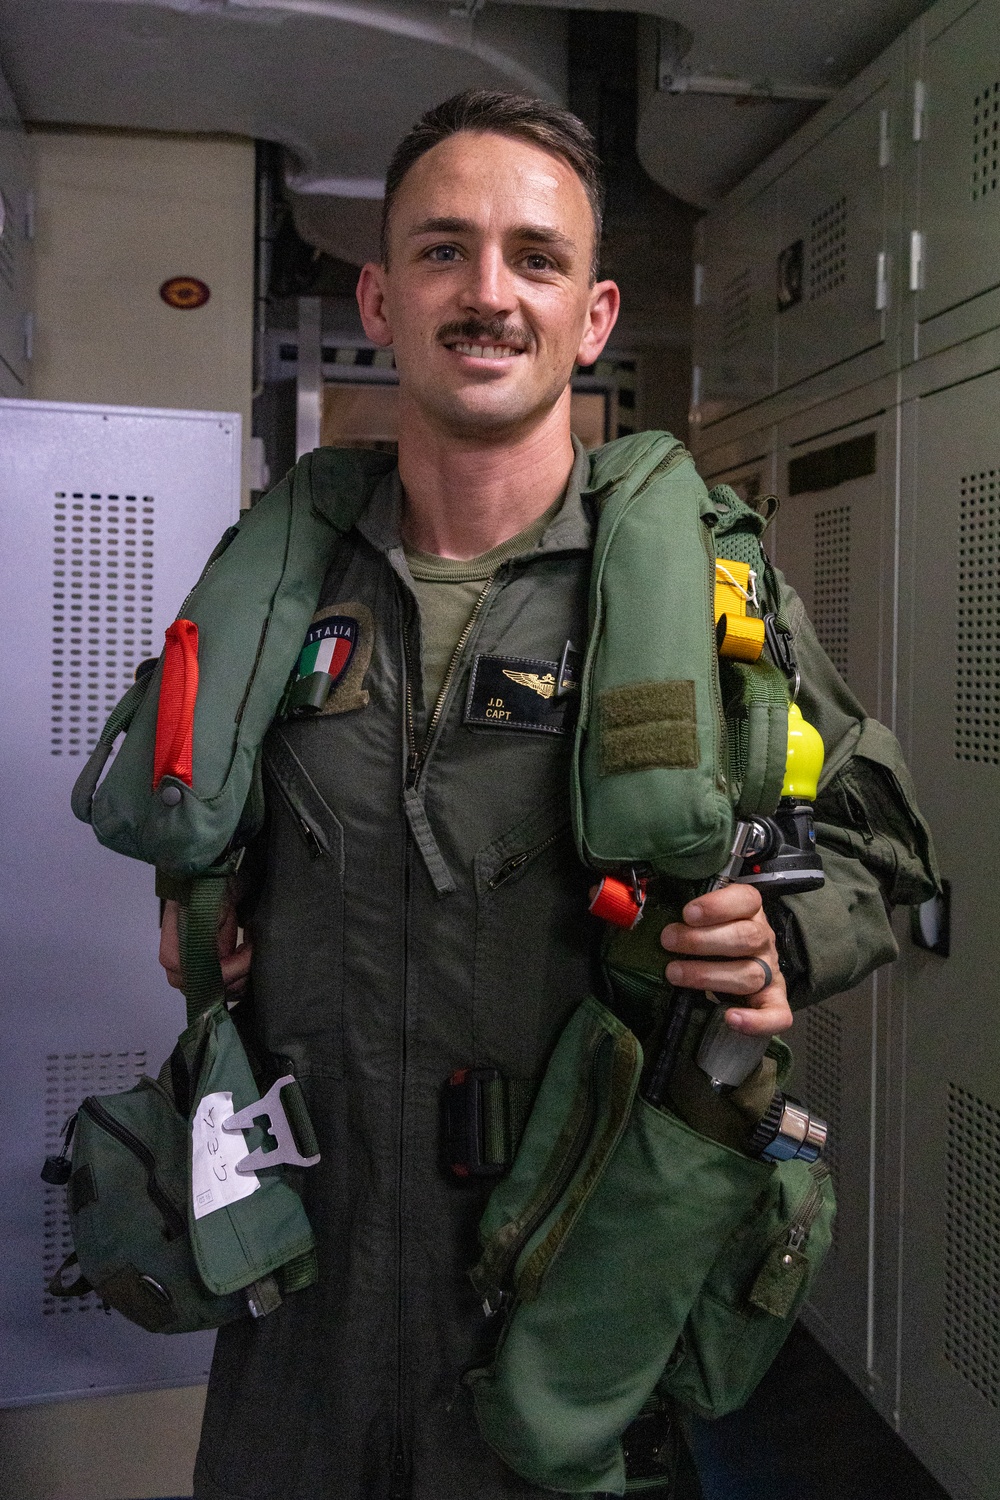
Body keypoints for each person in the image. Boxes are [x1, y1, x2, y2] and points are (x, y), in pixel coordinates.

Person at [158, 90, 929, 1500]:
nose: (489, 292)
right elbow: (201, 817)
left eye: (535, 256)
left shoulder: (701, 596)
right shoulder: (282, 586)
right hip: (303, 1330)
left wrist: (785, 938)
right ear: (381, 302)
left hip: (570, 1313)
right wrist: (196, 908)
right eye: (444, 252)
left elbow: (883, 849)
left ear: (595, 316)